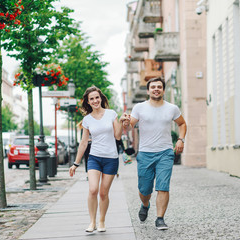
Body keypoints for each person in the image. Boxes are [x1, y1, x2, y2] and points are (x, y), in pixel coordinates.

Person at [123, 77, 187, 230]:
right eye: (153, 87)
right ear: (148, 90)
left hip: (165, 152)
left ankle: (160, 218)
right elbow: (130, 126)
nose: (156, 89)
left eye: (159, 86)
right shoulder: (139, 107)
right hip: (145, 153)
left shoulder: (172, 108)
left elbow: (182, 124)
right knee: (144, 190)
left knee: (163, 186)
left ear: (163, 90)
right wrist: (125, 123)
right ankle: (145, 204)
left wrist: (180, 139)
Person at [69, 86, 128, 233]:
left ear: (101, 98)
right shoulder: (87, 119)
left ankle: (102, 221)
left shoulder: (111, 114)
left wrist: (121, 122)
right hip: (94, 157)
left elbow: (118, 136)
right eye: (91, 99)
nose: (95, 101)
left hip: (111, 158)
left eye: (97, 97)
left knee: (103, 193)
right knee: (93, 189)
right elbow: (83, 143)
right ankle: (92, 222)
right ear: (88, 102)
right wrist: (75, 164)